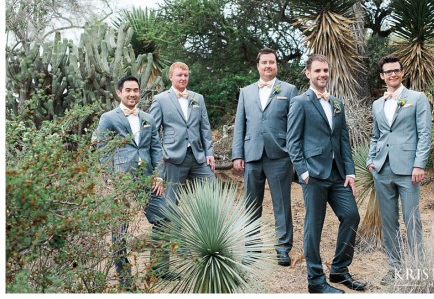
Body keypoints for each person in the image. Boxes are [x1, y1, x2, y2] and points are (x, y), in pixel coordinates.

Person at [287, 54, 366, 294]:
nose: (323, 74)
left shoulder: (338, 103)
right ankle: (315, 280)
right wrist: (303, 172)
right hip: (314, 175)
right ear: (308, 73)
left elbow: (343, 140)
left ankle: (340, 270)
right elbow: (292, 142)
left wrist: (350, 172)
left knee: (351, 215)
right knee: (314, 226)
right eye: (318, 70)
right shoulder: (300, 102)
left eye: (326, 70)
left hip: (338, 174)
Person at [95, 75, 171, 289]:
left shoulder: (148, 118)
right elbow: (102, 149)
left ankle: (159, 268)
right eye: (128, 90)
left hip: (148, 178)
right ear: (119, 92)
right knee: (120, 229)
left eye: (136, 90)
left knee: (164, 218)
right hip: (121, 181)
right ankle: (124, 276)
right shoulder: (108, 118)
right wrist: (110, 177)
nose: (132, 94)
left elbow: (156, 148)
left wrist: (158, 175)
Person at [365, 55, 432, 286]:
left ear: (402, 73)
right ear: (382, 76)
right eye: (388, 71)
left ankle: (418, 268)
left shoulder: (417, 98)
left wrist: (419, 164)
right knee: (389, 221)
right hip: (382, 169)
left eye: (396, 70)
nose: (393, 74)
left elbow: (424, 134)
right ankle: (395, 268)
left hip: (408, 170)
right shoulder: (377, 104)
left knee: (412, 219)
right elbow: (376, 136)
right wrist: (370, 160)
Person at [231, 48, 297, 266]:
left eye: (272, 62)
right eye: (264, 63)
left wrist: (292, 152)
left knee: (281, 203)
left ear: (277, 65)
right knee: (251, 203)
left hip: (280, 155)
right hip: (251, 155)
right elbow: (240, 124)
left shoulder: (289, 90)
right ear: (257, 66)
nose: (268, 66)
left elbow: (294, 125)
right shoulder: (246, 92)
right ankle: (252, 247)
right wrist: (237, 154)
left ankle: (283, 248)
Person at [149, 61, 216, 206]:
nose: (183, 78)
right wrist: (160, 156)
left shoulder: (197, 98)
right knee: (171, 199)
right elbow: (152, 131)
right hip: (173, 156)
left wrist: (209, 152)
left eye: (186, 75)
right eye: (179, 75)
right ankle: (167, 228)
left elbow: (205, 128)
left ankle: (206, 226)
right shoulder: (160, 100)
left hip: (198, 155)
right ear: (171, 76)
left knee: (212, 188)